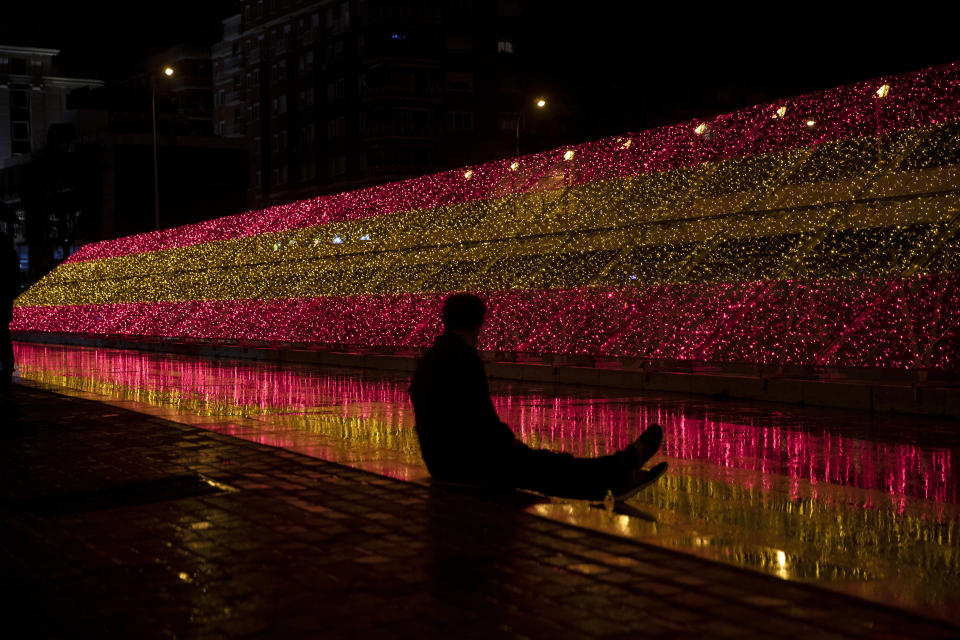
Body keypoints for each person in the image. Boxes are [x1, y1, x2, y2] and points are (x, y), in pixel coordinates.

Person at [409, 293, 667, 501]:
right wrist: (510, 443)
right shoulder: (465, 359)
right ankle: (625, 464)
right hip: (467, 464)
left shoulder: (430, 358)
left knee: (544, 468)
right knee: (547, 466)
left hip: (441, 460)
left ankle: (618, 478)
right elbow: (481, 416)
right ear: (479, 323)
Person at [0, 230, 18, 390]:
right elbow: (15, 280)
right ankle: (7, 370)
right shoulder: (11, 255)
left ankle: (6, 369)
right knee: (4, 337)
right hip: (5, 302)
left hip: (3, 301)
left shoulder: (8, 256)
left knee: (3, 338)